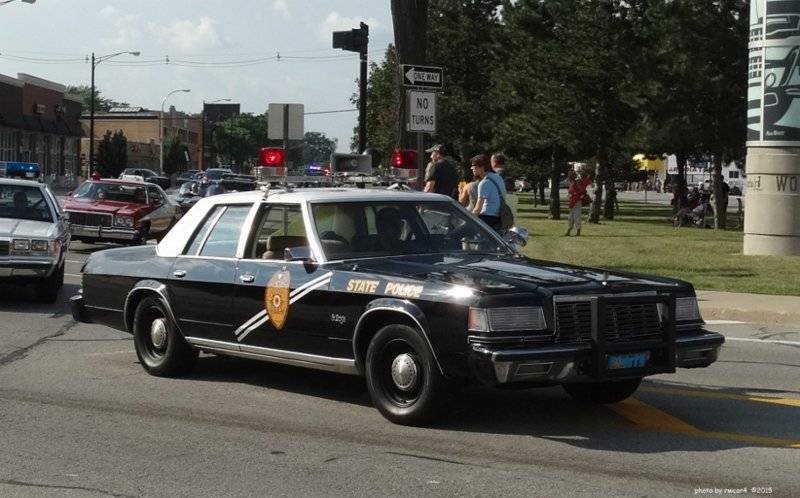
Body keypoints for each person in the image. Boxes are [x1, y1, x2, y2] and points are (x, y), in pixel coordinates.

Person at [470, 154, 506, 231]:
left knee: (457, 234)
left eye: (474, 166)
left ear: (482, 167)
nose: (471, 168)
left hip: (487, 218)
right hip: (499, 217)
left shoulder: (484, 183)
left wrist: (468, 219)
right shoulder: (497, 177)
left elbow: (477, 209)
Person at [565, 169, 592, 236]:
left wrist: (574, 194)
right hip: (572, 201)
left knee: (576, 217)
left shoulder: (577, 183)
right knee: (571, 217)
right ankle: (569, 230)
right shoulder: (573, 183)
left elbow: (581, 191)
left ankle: (577, 231)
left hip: (576, 201)